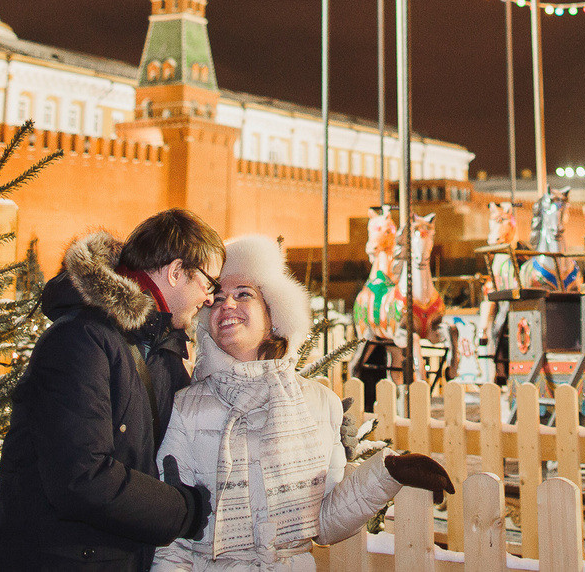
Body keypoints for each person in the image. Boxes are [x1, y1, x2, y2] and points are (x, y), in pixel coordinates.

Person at [153, 234, 454, 572]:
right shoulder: (184, 408)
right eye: (218, 298)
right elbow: (171, 544)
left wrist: (387, 474)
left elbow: (324, 522)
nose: (227, 305)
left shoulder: (320, 403)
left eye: (243, 295)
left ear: (274, 318)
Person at [0, 210, 225, 571]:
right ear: (176, 272)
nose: (209, 299)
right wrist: (185, 511)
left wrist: (311, 427)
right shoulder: (80, 340)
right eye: (210, 283)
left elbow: (199, 435)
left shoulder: (163, 354)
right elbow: (81, 478)